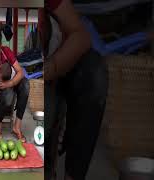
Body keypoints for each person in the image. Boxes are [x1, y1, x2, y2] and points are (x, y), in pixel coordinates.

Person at [38, 0, 108, 180]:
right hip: (28, 78)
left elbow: (81, 36)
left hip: (55, 65)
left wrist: (51, 69)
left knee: (94, 73)